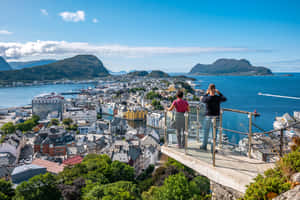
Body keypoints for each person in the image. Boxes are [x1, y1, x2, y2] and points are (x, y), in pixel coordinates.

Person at [200, 84, 226, 150]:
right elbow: (224, 99)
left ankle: (204, 146)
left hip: (208, 117)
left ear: (209, 89)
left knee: (206, 132)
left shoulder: (207, 98)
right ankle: (212, 148)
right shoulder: (218, 98)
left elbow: (202, 99)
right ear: (215, 89)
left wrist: (206, 93)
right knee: (214, 134)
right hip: (216, 117)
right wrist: (219, 93)